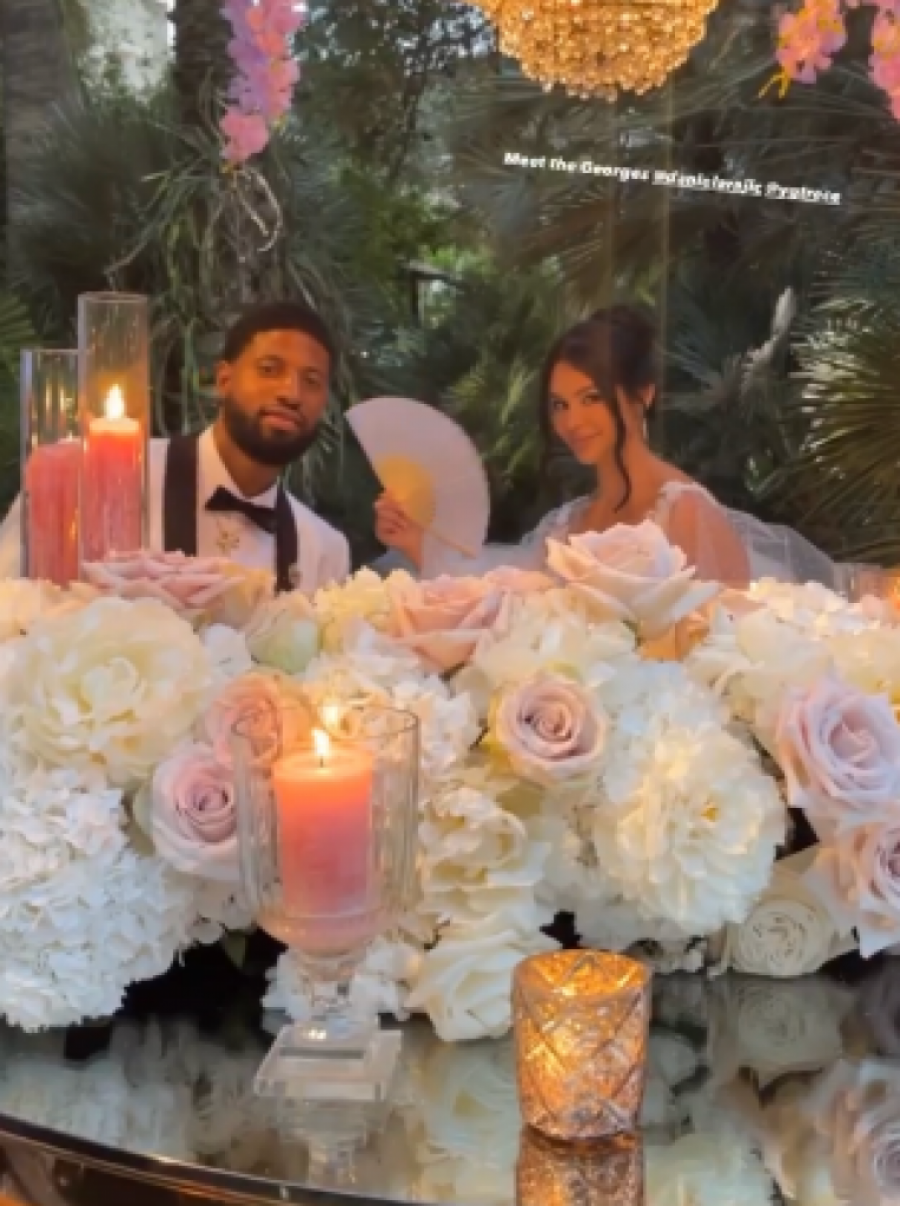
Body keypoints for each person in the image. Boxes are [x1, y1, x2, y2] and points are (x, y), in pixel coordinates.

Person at [375, 305, 751, 582]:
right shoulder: (568, 522)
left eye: (591, 398)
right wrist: (417, 544)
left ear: (643, 394)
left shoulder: (685, 512)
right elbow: (504, 596)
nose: (572, 421)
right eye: (560, 405)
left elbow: (728, 637)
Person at [0, 300, 350, 593]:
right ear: (224, 380)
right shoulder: (84, 476)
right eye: (269, 369)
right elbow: (12, 606)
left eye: (311, 381)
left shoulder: (324, 550)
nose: (291, 393)